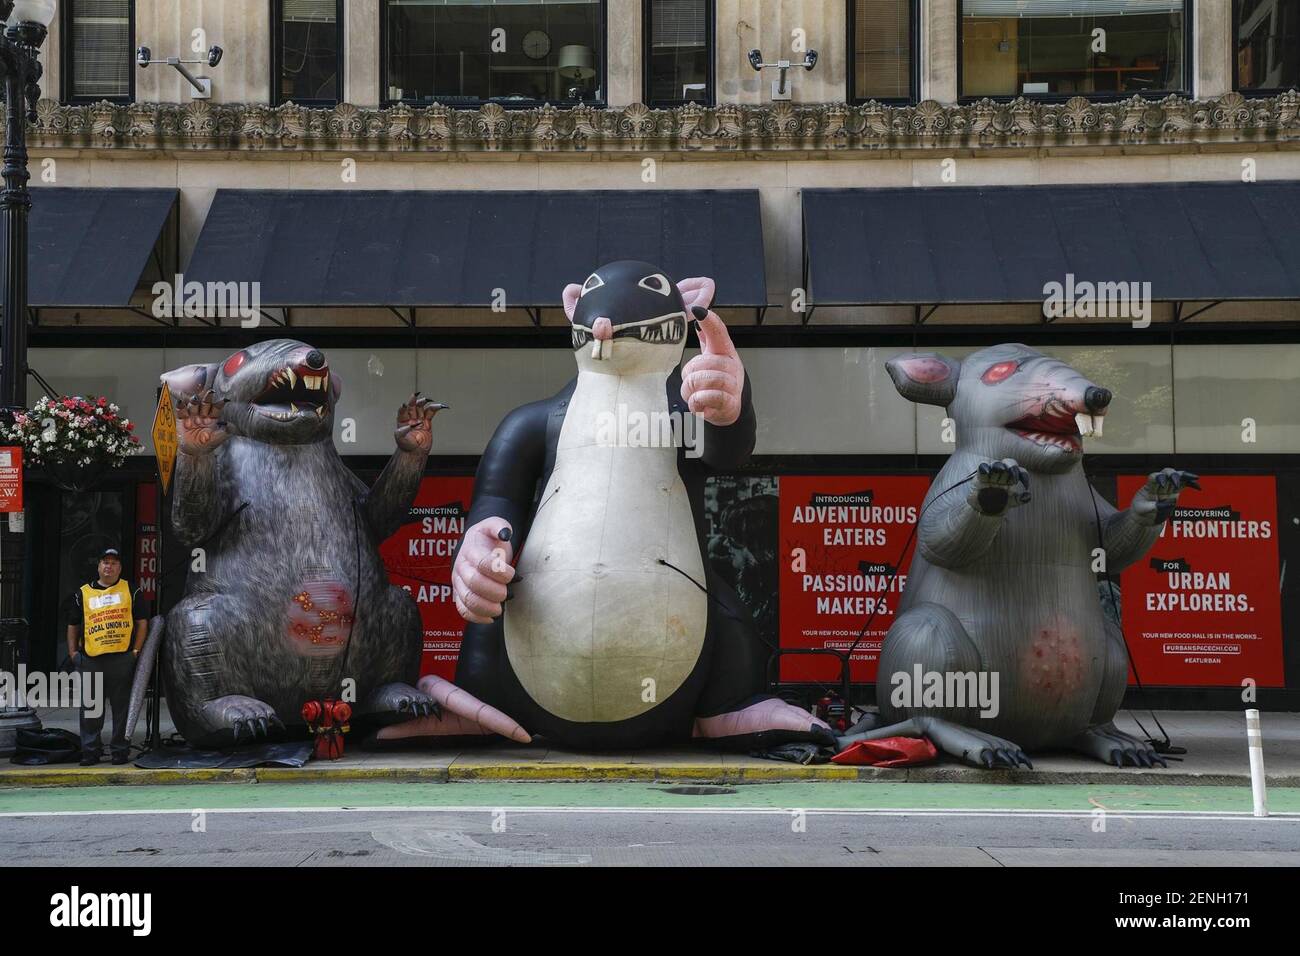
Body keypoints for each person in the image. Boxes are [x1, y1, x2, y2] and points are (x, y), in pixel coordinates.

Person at [65, 548, 150, 766]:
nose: (108, 566)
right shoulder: (83, 593)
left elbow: (142, 622)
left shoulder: (131, 590)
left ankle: (119, 751)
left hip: (121, 659)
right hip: (91, 659)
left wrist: (135, 652)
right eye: (105, 562)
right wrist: (73, 653)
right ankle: (90, 752)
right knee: (91, 709)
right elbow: (73, 624)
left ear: (119, 568)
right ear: (98, 566)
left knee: (121, 709)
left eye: (113, 563)